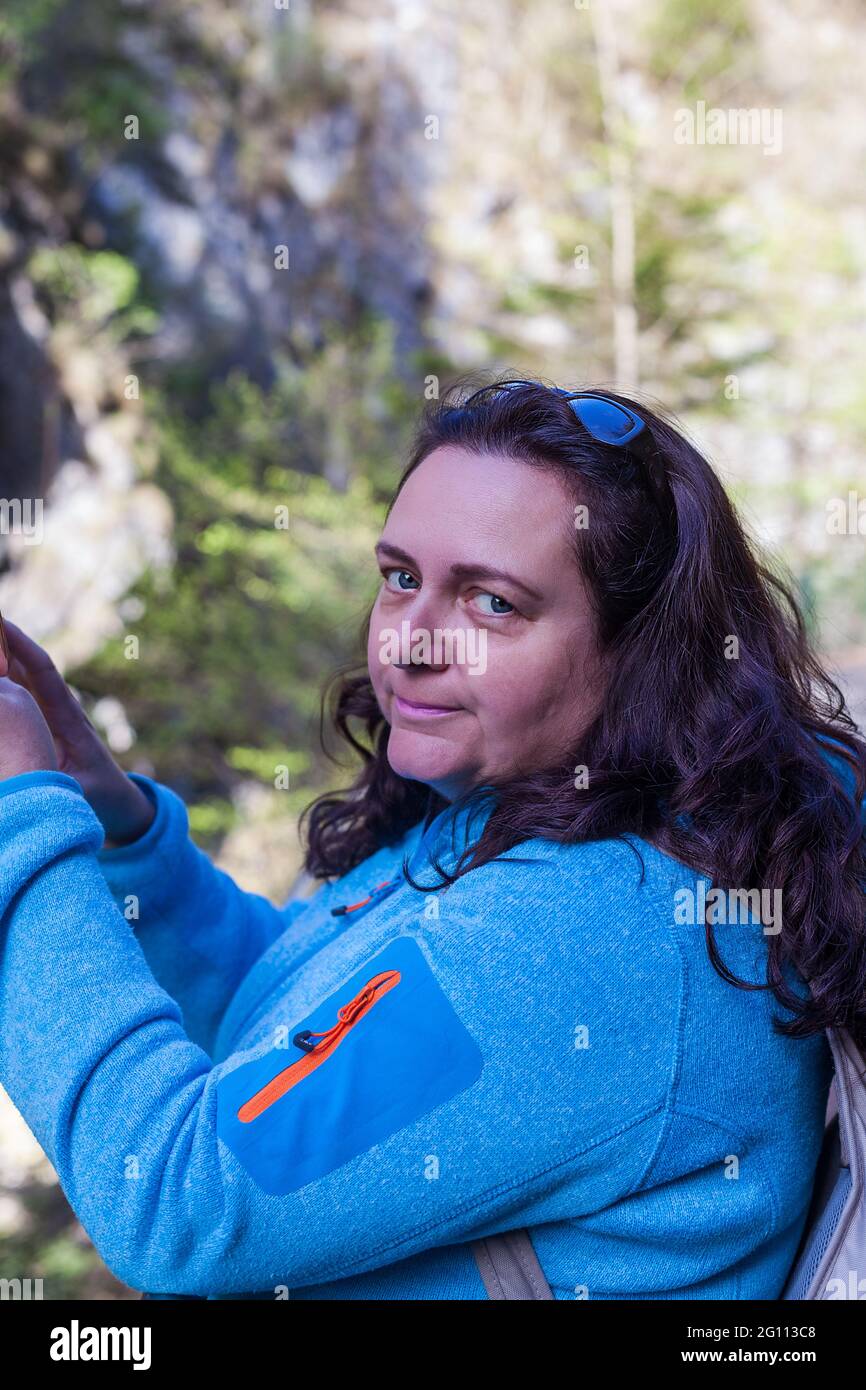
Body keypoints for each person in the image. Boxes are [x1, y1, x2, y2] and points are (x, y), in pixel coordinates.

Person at [0, 377, 864, 1301]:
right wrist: (120, 829)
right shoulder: (542, 807)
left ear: (640, 651)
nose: (409, 642)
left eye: (492, 603)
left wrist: (24, 825)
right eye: (401, 578)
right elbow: (304, 1036)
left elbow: (174, 1202)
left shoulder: (593, 938)